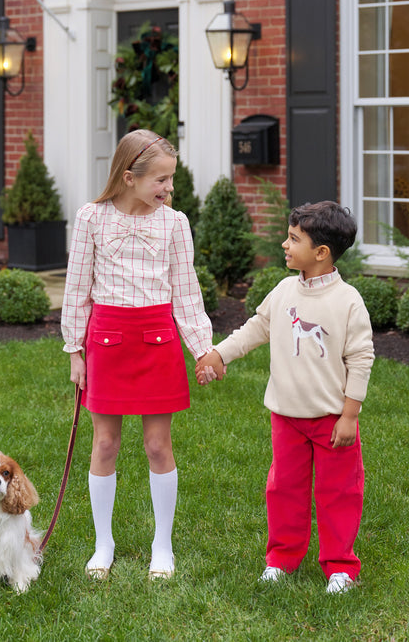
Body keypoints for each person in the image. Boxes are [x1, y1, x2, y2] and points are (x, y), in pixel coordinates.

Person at [195, 201, 374, 594]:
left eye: (294, 239)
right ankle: (281, 560)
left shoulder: (348, 302)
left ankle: (340, 567)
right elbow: (256, 328)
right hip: (286, 417)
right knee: (284, 490)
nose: (284, 244)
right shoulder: (282, 291)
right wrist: (220, 354)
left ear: (321, 253)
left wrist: (350, 415)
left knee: (339, 494)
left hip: (331, 420)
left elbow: (361, 359)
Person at [62, 129, 213, 580]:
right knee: (105, 444)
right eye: (161, 180)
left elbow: (186, 293)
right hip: (106, 342)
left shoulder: (174, 223)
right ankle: (102, 543)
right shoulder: (91, 218)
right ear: (129, 177)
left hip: (157, 341)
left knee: (156, 445)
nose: (169, 189)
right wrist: (75, 349)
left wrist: (202, 348)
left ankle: (161, 545)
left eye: (171, 179)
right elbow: (77, 289)